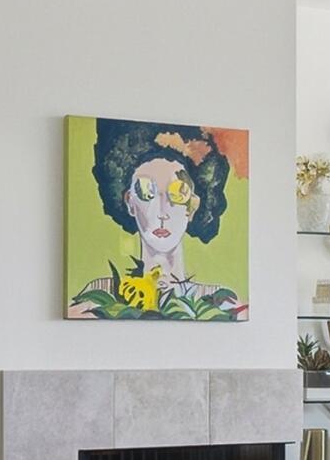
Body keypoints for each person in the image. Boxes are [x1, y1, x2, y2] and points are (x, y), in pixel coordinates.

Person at [67, 120, 248, 320]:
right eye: (146, 192)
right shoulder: (96, 299)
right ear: (130, 202)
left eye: (178, 194)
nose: (163, 212)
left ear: (193, 206)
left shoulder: (223, 304)